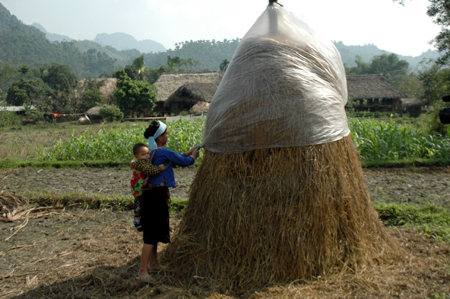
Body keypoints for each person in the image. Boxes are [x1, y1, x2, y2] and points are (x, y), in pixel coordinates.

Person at [136, 120, 199, 281]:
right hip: (156, 195)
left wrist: (188, 152)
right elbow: (184, 162)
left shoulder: (155, 152)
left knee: (155, 230)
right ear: (159, 137)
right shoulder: (163, 152)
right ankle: (143, 271)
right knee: (151, 233)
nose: (168, 136)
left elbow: (176, 158)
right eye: (166, 134)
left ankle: (154, 264)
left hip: (152, 194)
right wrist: (193, 156)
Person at [130, 143, 167, 231]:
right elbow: (148, 170)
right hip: (138, 187)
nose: (146, 156)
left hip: (142, 186)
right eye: (143, 154)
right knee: (139, 203)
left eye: (147, 153)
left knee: (143, 202)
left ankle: (141, 218)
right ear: (136, 156)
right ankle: (137, 219)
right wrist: (158, 169)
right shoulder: (138, 163)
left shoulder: (144, 161)